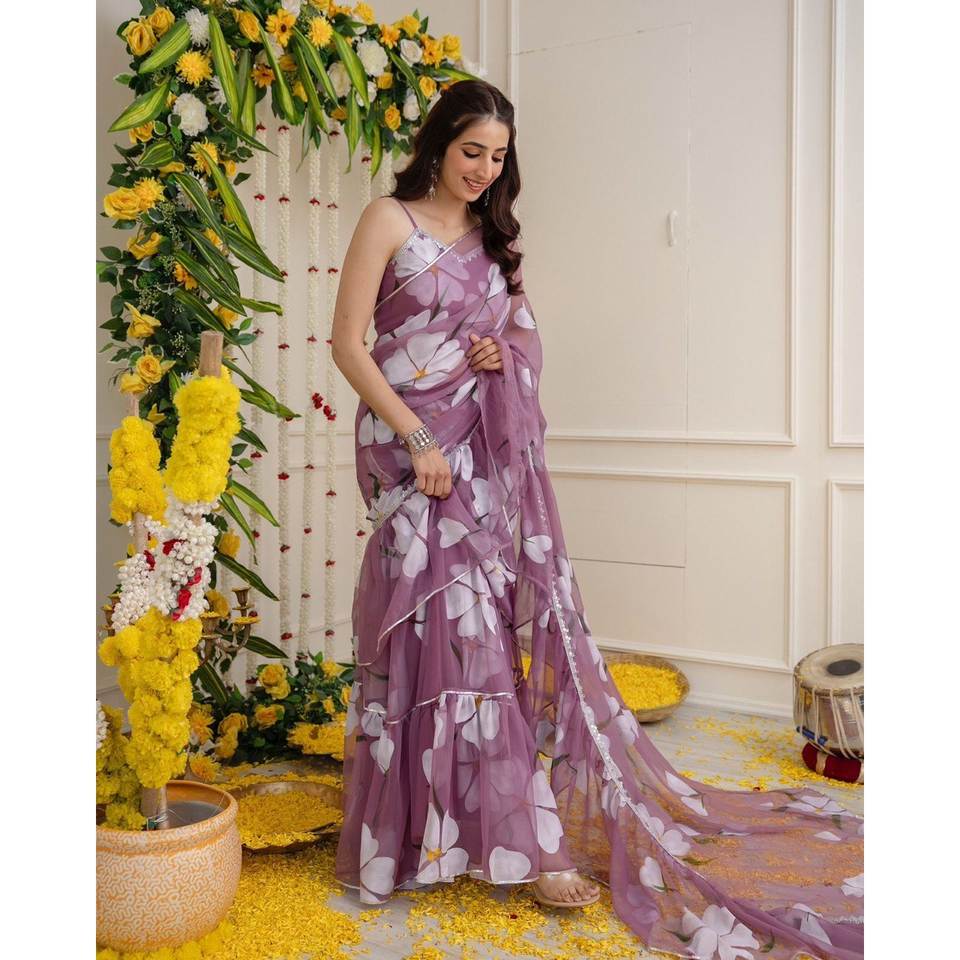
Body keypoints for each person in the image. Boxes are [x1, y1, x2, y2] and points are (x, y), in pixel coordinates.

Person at [330, 80, 863, 959]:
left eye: (499, 156)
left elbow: (518, 341)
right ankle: (428, 835)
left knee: (477, 633)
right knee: (421, 627)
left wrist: (498, 355)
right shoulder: (389, 219)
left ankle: (511, 835)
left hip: (477, 451)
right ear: (437, 144)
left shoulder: (493, 242)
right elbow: (349, 344)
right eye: (471, 151)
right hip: (408, 446)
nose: (484, 169)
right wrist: (417, 436)